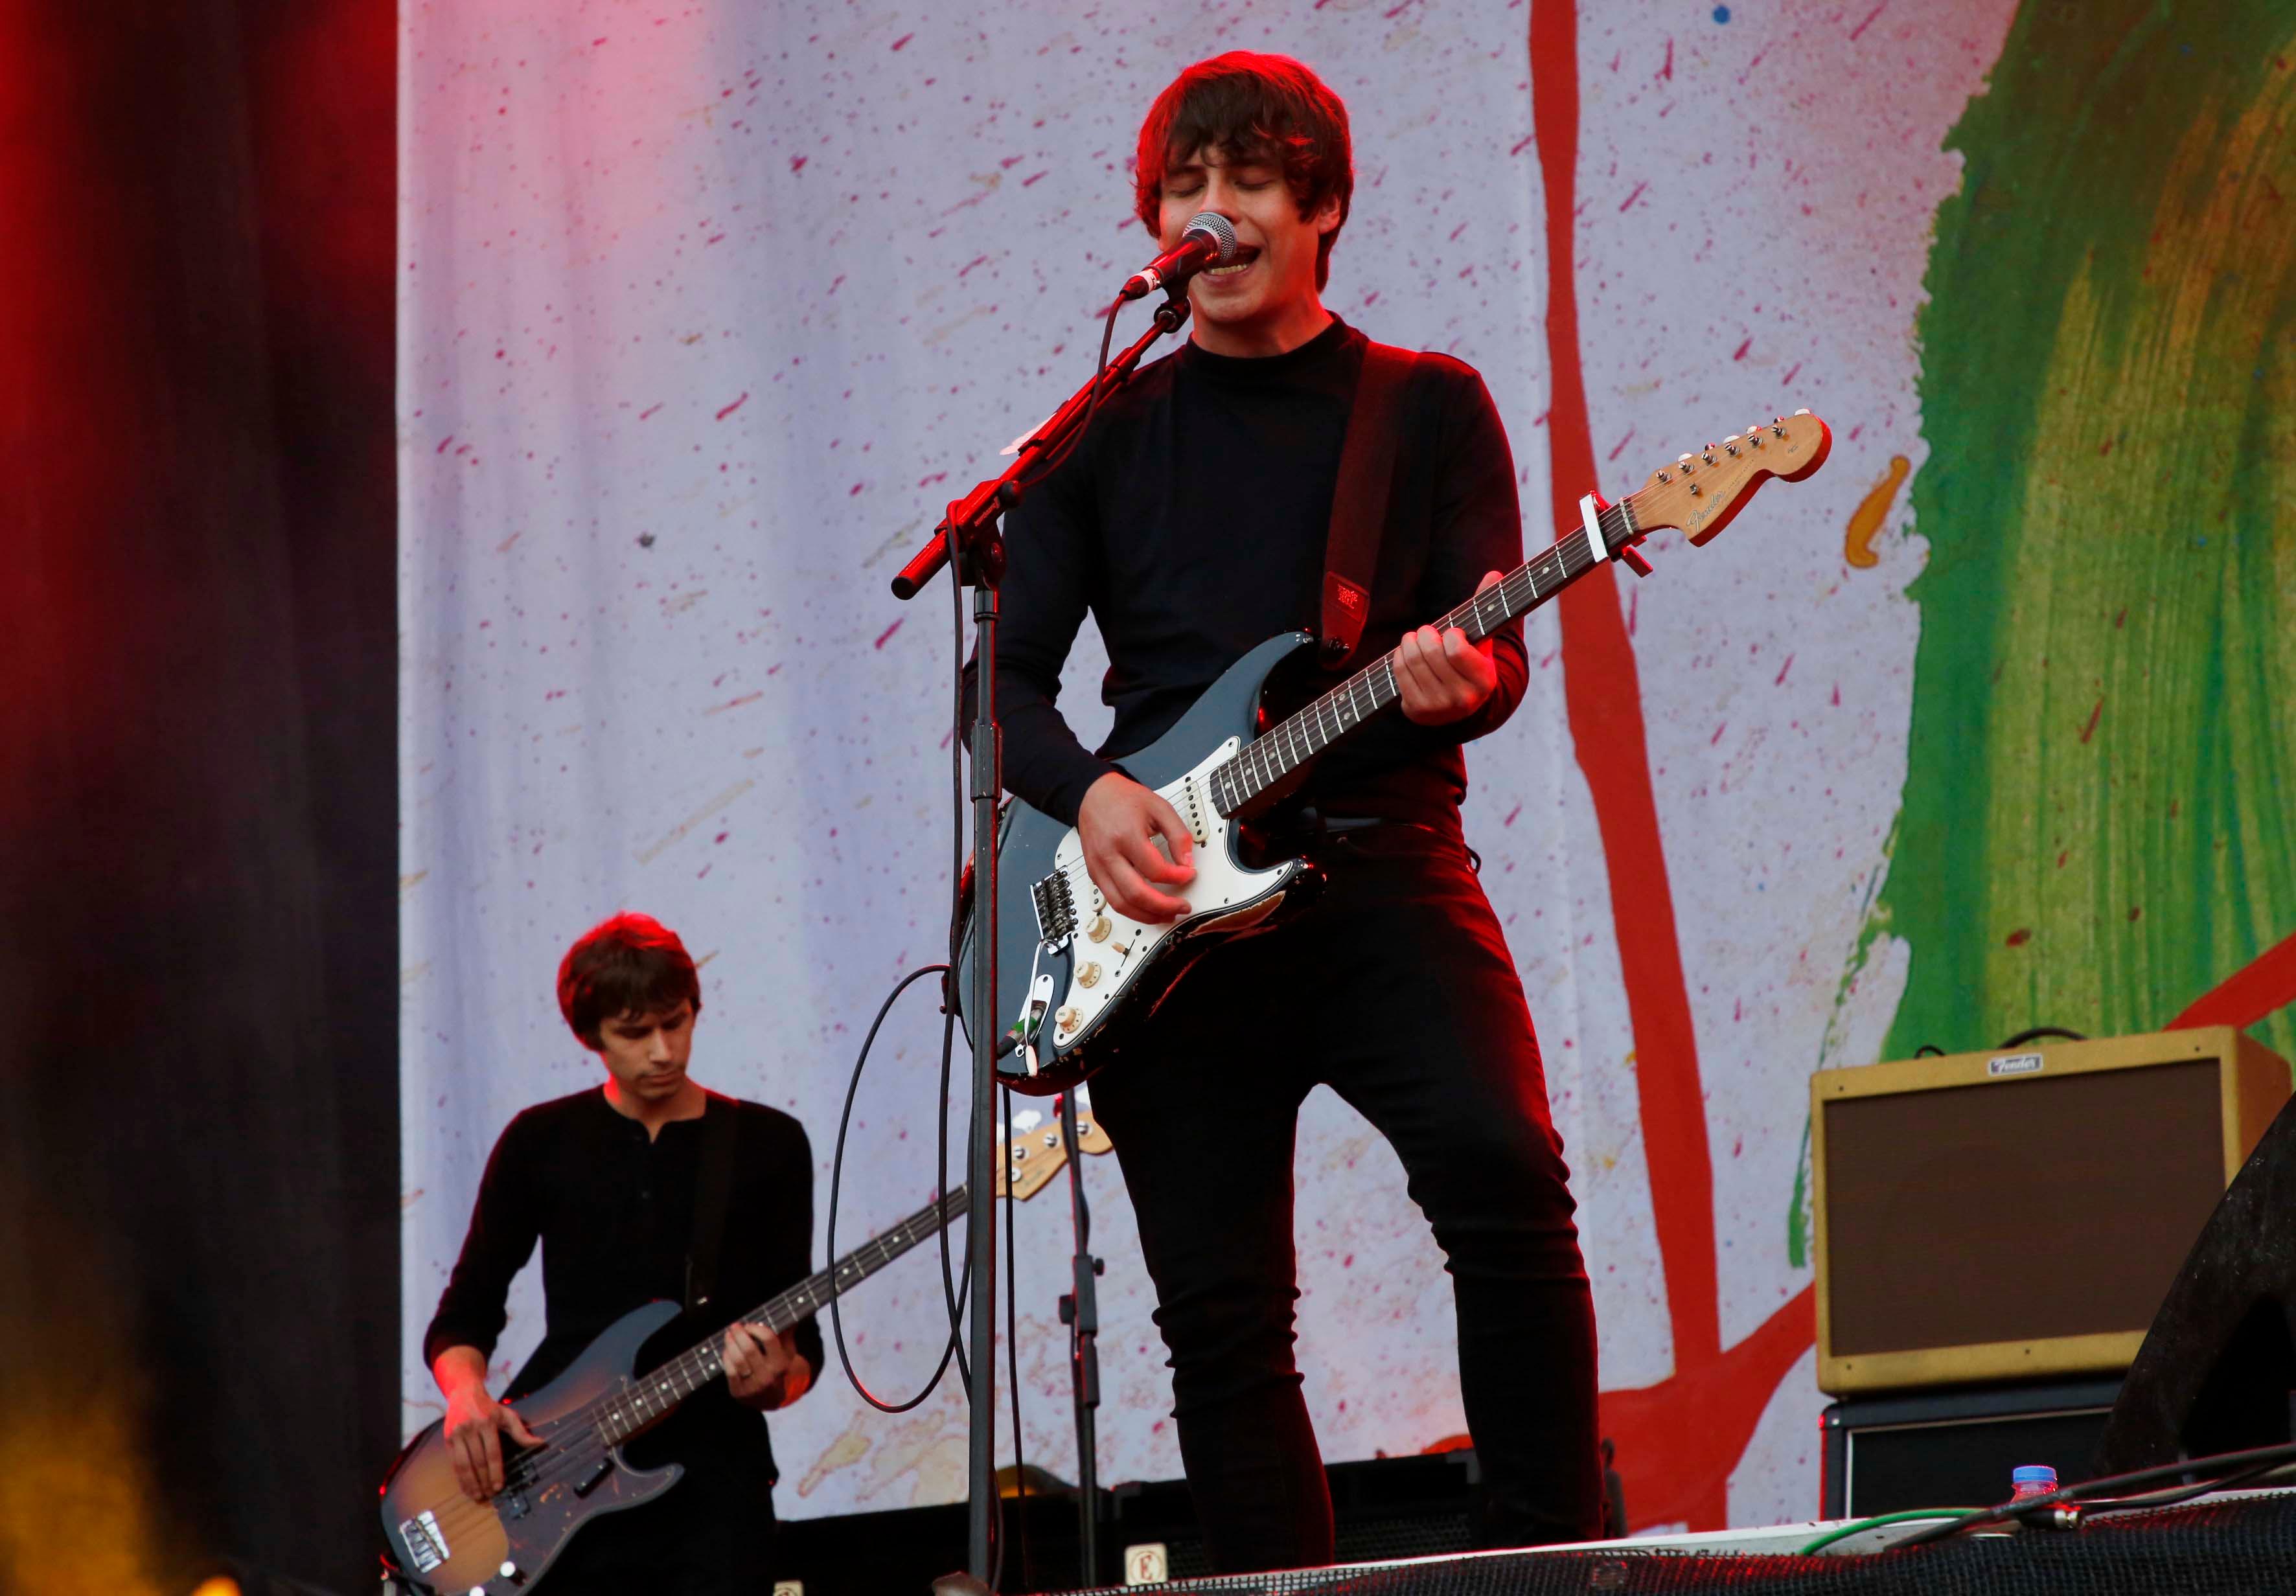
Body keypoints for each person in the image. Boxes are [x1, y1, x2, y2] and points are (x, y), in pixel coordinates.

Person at [970, 51, 1602, 1573]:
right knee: (1222, 1318)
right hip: (1161, 911)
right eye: (1186, 190)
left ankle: (1545, 1560)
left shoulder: (1426, 408)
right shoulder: (1100, 436)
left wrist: (1472, 677)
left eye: (1248, 183)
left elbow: (1486, 648)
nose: (1213, 213)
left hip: (1382, 869)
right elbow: (1000, 691)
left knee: (1504, 1184)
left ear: (1320, 208)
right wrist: (1096, 796)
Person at [423, 913, 822, 1593]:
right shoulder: (538, 1142)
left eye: (678, 1022)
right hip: (557, 1487)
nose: (664, 1051)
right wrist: (466, 1400)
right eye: (635, 1034)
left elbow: (800, 1344)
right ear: (591, 1036)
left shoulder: (768, 1143)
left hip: (714, 1496)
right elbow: (466, 1311)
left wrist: (775, 1384)